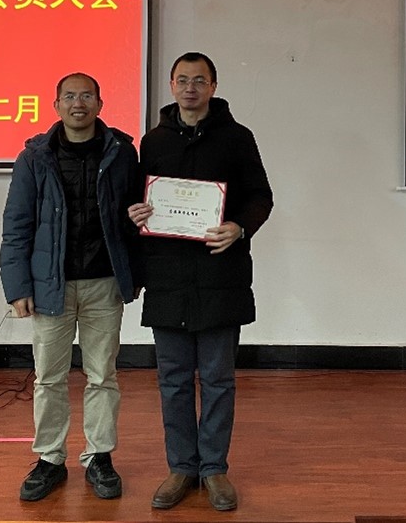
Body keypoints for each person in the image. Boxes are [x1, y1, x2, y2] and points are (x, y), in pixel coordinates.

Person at [127, 52, 273, 512]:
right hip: (167, 276)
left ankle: (214, 469)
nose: (190, 88)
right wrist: (137, 212)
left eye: (200, 80)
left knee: (218, 379)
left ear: (213, 86)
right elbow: (139, 199)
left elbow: (261, 196)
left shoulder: (237, 138)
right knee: (171, 379)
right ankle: (181, 467)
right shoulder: (152, 141)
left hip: (220, 275)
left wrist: (239, 227)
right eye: (182, 80)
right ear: (171, 85)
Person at [0, 73, 143, 503]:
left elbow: (135, 214)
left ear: (100, 103)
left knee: (103, 375)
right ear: (56, 105)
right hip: (50, 286)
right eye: (69, 96)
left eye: (86, 96)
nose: (78, 103)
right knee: (49, 378)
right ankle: (50, 459)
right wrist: (17, 286)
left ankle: (99, 456)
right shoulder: (34, 157)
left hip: (103, 283)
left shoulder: (121, 152)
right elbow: (16, 225)